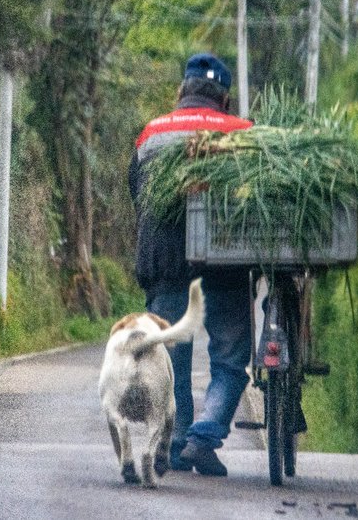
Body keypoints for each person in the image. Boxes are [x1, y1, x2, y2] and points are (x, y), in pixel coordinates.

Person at [127, 52, 253, 477]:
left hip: (167, 264)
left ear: (183, 89)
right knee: (232, 357)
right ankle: (204, 436)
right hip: (227, 265)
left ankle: (177, 440)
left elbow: (136, 192)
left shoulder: (151, 133)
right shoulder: (243, 134)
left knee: (171, 360)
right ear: (225, 97)